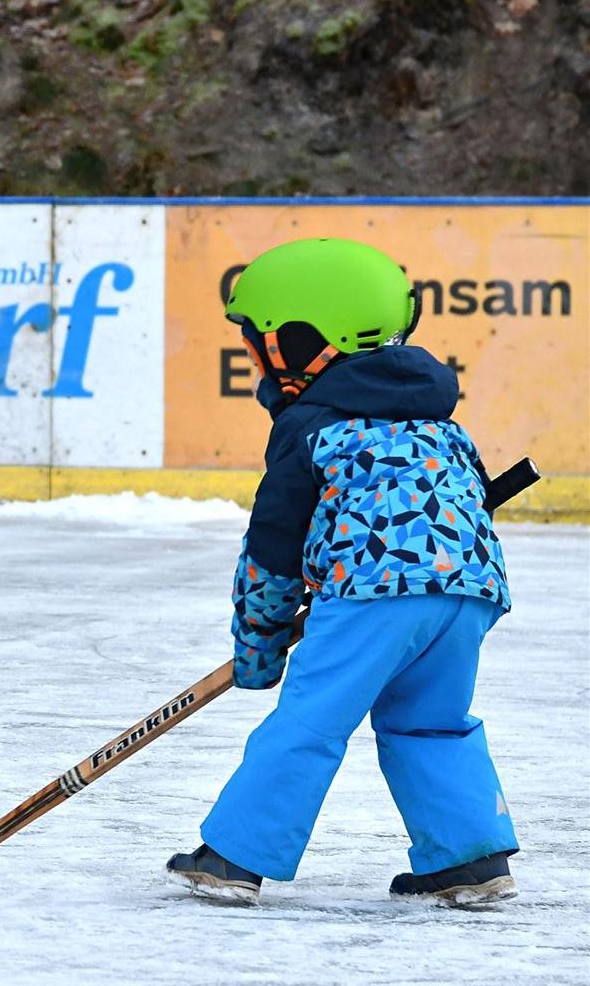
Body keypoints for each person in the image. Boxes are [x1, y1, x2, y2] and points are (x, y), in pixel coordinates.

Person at [166, 238, 517, 907]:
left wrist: (259, 642)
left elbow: (274, 545)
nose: (252, 357)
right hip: (468, 590)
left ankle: (235, 858)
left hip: (372, 594)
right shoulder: (440, 420)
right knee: (432, 722)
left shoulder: (310, 427)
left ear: (301, 343)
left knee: (310, 721)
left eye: (258, 340)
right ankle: (470, 862)